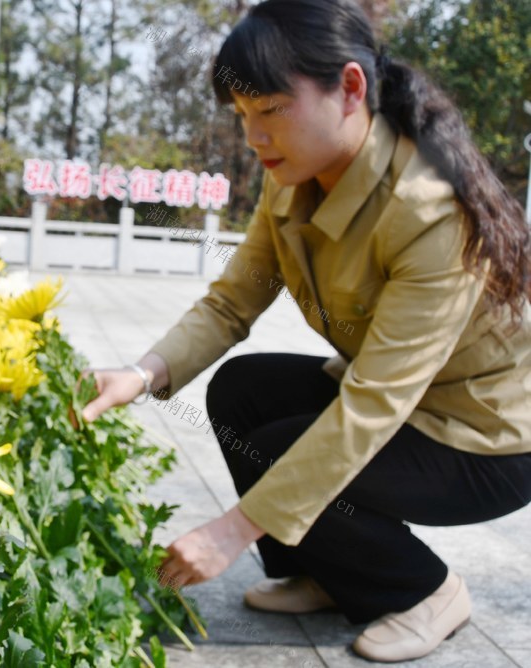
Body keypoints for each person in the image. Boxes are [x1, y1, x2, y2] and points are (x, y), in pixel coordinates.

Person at [80, 0, 531, 662]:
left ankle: (424, 591)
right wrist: (141, 373)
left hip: (484, 438)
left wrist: (228, 533)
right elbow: (234, 302)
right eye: (244, 117)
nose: (254, 136)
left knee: (290, 449)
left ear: (350, 89)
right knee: (241, 391)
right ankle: (324, 570)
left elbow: (373, 405)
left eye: (271, 110)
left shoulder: (430, 213)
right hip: (405, 405)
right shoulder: (291, 179)